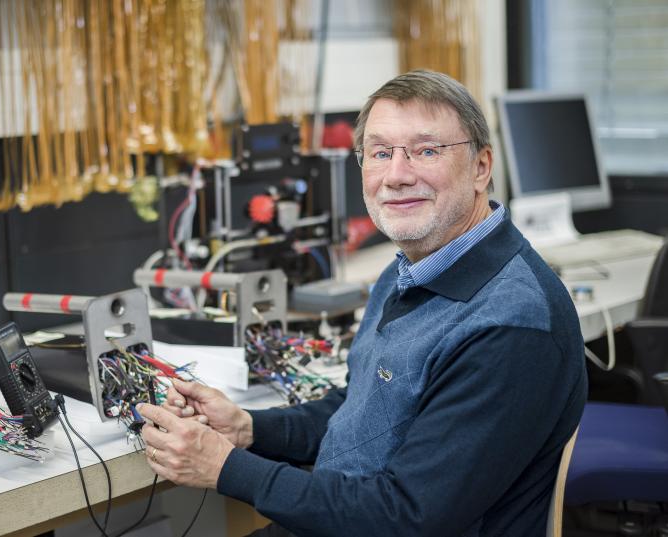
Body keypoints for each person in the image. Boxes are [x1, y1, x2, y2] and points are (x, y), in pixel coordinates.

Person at [137, 70, 587, 537]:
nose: (396, 175)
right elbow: (363, 410)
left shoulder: (509, 325)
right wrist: (248, 429)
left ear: (480, 167)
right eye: (380, 153)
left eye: (426, 150)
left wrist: (226, 467)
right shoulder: (409, 270)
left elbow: (407, 517)